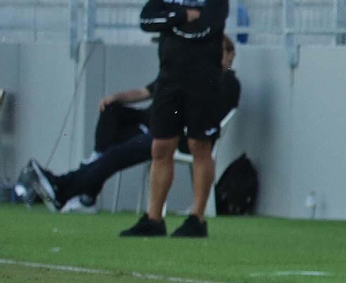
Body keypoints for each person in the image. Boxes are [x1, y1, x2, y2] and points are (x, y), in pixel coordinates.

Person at [25, 37, 240, 212]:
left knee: (116, 155)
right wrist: (116, 97)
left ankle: (64, 189)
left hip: (176, 136)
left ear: (230, 55)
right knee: (111, 111)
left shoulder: (227, 82)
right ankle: (89, 179)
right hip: (153, 124)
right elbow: (146, 92)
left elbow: (206, 114)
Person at [122, 0, 230, 239]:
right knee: (162, 145)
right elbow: (146, 21)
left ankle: (197, 217)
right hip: (169, 77)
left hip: (204, 79)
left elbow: (209, 28)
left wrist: (171, 21)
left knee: (199, 144)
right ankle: (154, 217)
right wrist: (182, 15)